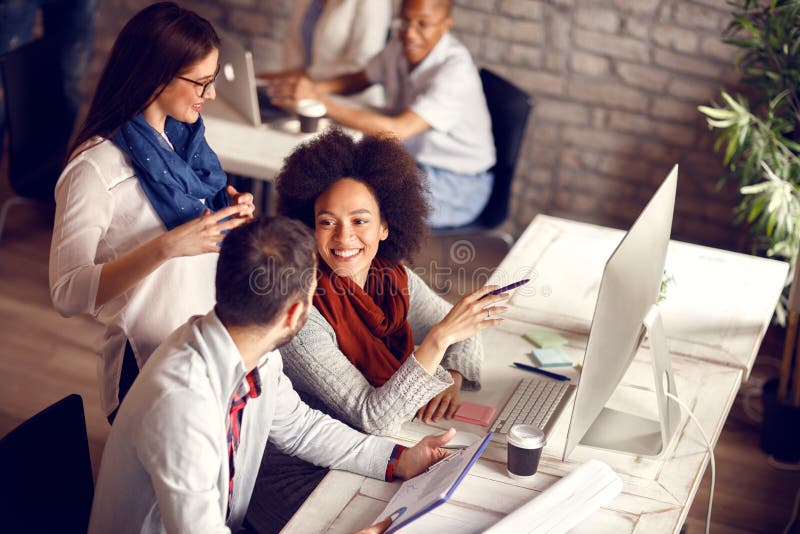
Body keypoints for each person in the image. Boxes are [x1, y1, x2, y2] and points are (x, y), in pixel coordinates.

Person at [88, 215, 456, 534]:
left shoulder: (250, 349)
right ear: (295, 315)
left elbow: (301, 427)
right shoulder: (181, 404)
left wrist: (398, 459)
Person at [247, 128, 507, 531]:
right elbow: (375, 417)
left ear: (386, 226)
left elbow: (465, 329)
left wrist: (451, 374)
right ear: (307, 228)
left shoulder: (390, 276)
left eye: (360, 220)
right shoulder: (301, 312)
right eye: (327, 222)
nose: (344, 237)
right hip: (301, 477)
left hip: (370, 456)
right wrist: (437, 342)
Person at [49, 2, 255, 422]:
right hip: (147, 364)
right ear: (157, 76)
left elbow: (202, 245)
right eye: (201, 83)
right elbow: (66, 294)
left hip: (209, 347)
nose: (210, 95)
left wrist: (229, 216)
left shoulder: (185, 143)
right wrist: (165, 247)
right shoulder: (92, 171)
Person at [268, 0, 495, 228]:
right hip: (413, 164)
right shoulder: (400, 44)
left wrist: (320, 102)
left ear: (446, 25)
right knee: (330, 183)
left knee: (350, 197)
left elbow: (397, 130)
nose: (410, 34)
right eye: (405, 22)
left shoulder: (456, 71)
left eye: (423, 24)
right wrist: (314, 89)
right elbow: (359, 79)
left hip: (458, 185)